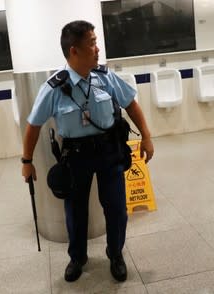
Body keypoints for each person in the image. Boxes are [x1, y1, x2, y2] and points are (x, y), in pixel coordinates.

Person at [21, 20, 154, 282]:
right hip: (76, 157)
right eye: (92, 43)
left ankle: (115, 253)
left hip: (109, 151)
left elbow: (131, 105)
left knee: (116, 208)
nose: (97, 49)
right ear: (74, 51)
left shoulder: (106, 77)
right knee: (75, 210)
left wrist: (147, 137)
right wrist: (27, 160)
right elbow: (33, 125)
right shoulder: (54, 87)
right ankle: (77, 257)